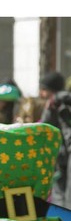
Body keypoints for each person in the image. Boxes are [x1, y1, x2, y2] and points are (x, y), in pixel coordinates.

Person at [39, 71, 71, 209]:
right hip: (64, 155)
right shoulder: (65, 101)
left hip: (62, 155)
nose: (41, 94)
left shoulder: (56, 104)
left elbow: (46, 127)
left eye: (44, 89)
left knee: (62, 198)